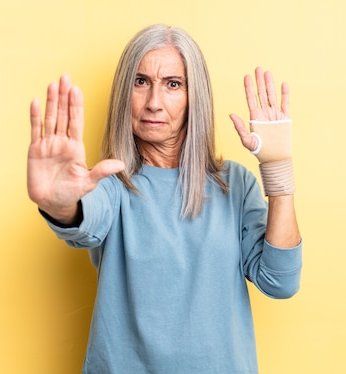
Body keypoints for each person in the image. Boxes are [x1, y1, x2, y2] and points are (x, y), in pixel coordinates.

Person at [27, 24, 302, 374]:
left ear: (193, 97)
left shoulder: (235, 184)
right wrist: (59, 204)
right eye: (140, 82)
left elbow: (280, 281)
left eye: (173, 84)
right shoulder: (109, 183)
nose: (154, 102)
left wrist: (278, 170)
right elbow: (82, 222)